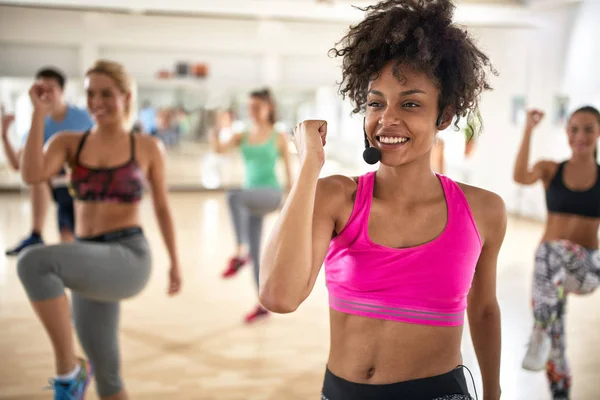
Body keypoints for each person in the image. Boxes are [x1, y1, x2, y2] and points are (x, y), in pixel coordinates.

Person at [258, 1, 506, 399]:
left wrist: (493, 394)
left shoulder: (483, 210)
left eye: (410, 104)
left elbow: (484, 309)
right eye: (376, 103)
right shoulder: (337, 197)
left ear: (443, 116)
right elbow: (278, 296)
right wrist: (308, 167)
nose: (387, 119)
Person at [16, 59, 182, 400]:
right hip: (88, 256)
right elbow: (32, 174)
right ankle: (77, 370)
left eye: (106, 93)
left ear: (125, 96)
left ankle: (68, 371)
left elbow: (163, 208)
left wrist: (174, 262)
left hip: (128, 256)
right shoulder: (68, 142)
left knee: (33, 262)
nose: (97, 102)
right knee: (108, 376)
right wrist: (38, 113)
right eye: (91, 94)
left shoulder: (147, 147)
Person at [514, 106, 600, 400]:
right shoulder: (552, 169)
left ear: (598, 132)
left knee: (552, 249)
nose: (580, 136)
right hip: (549, 275)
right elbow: (520, 176)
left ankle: (539, 331)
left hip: (585, 270)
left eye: (588, 129)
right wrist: (528, 130)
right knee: (555, 337)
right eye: (574, 129)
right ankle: (560, 392)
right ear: (566, 132)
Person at [209, 89, 293, 324]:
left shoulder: (278, 136)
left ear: (269, 108)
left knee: (233, 197)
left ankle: (238, 253)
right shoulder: (242, 135)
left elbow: (288, 171)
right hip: (251, 198)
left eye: (257, 107)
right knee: (257, 254)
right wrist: (217, 126)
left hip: (270, 194)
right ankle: (261, 304)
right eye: (250, 107)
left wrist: (291, 202)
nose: (252, 112)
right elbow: (218, 149)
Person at [2, 68, 93, 255]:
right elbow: (18, 165)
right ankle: (36, 235)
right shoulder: (38, 124)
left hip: (83, 183)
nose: (46, 94)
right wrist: (3, 135)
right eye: (41, 90)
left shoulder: (83, 117)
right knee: (37, 176)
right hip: (57, 186)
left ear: (62, 91)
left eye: (51, 88)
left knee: (74, 240)